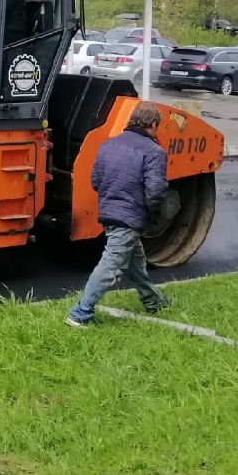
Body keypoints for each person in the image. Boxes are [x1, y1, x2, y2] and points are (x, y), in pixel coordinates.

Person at [66, 102, 172, 327]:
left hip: (109, 212)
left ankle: (154, 301)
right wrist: (153, 215)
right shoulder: (154, 152)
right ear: (153, 124)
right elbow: (155, 192)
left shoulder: (108, 145)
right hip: (130, 217)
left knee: (136, 263)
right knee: (111, 266)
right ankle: (80, 313)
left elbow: (95, 181)